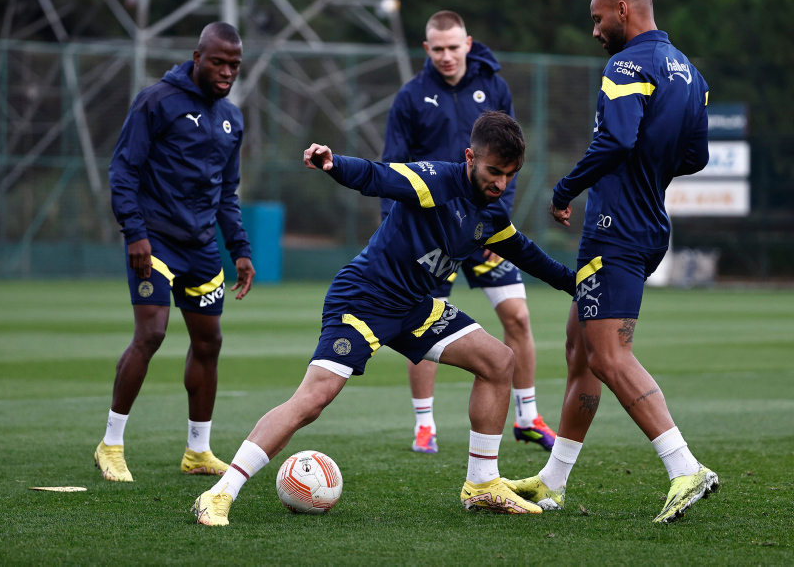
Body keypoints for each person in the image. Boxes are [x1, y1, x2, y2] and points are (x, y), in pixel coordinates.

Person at [192, 111, 576, 525]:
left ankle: (481, 485)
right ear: (469, 157)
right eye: (493, 171)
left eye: (509, 175)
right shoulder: (436, 181)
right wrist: (333, 163)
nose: (500, 184)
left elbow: (529, 254)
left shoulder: (491, 215)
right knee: (312, 400)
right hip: (363, 300)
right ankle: (218, 493)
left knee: (499, 361)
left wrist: (578, 285)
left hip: (413, 308)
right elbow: (378, 177)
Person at [504, 0, 718, 523]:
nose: (596, 31)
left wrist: (565, 189)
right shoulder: (689, 72)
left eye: (598, 19)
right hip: (647, 224)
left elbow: (618, 138)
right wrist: (650, 167)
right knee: (582, 351)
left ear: (623, 9)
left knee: (608, 355)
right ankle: (552, 482)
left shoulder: (626, 65)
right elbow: (697, 156)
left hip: (614, 228)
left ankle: (684, 466)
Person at [382, 10, 556, 455]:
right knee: (425, 322)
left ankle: (528, 417)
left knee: (517, 316)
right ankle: (425, 425)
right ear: (426, 49)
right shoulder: (410, 97)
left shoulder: (493, 87)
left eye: (453, 47)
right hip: (432, 234)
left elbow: (510, 162)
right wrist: (395, 231)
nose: (445, 56)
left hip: (484, 226)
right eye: (437, 49)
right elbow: (392, 171)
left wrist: (499, 221)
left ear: (468, 43)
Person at [97, 22, 256, 482]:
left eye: (235, 65)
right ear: (197, 57)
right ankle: (110, 444)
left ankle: (198, 452)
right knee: (152, 334)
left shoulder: (232, 118)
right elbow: (123, 169)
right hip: (155, 241)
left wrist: (240, 250)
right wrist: (135, 234)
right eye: (219, 62)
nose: (227, 72)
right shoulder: (156, 101)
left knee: (210, 342)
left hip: (202, 248)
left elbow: (227, 192)